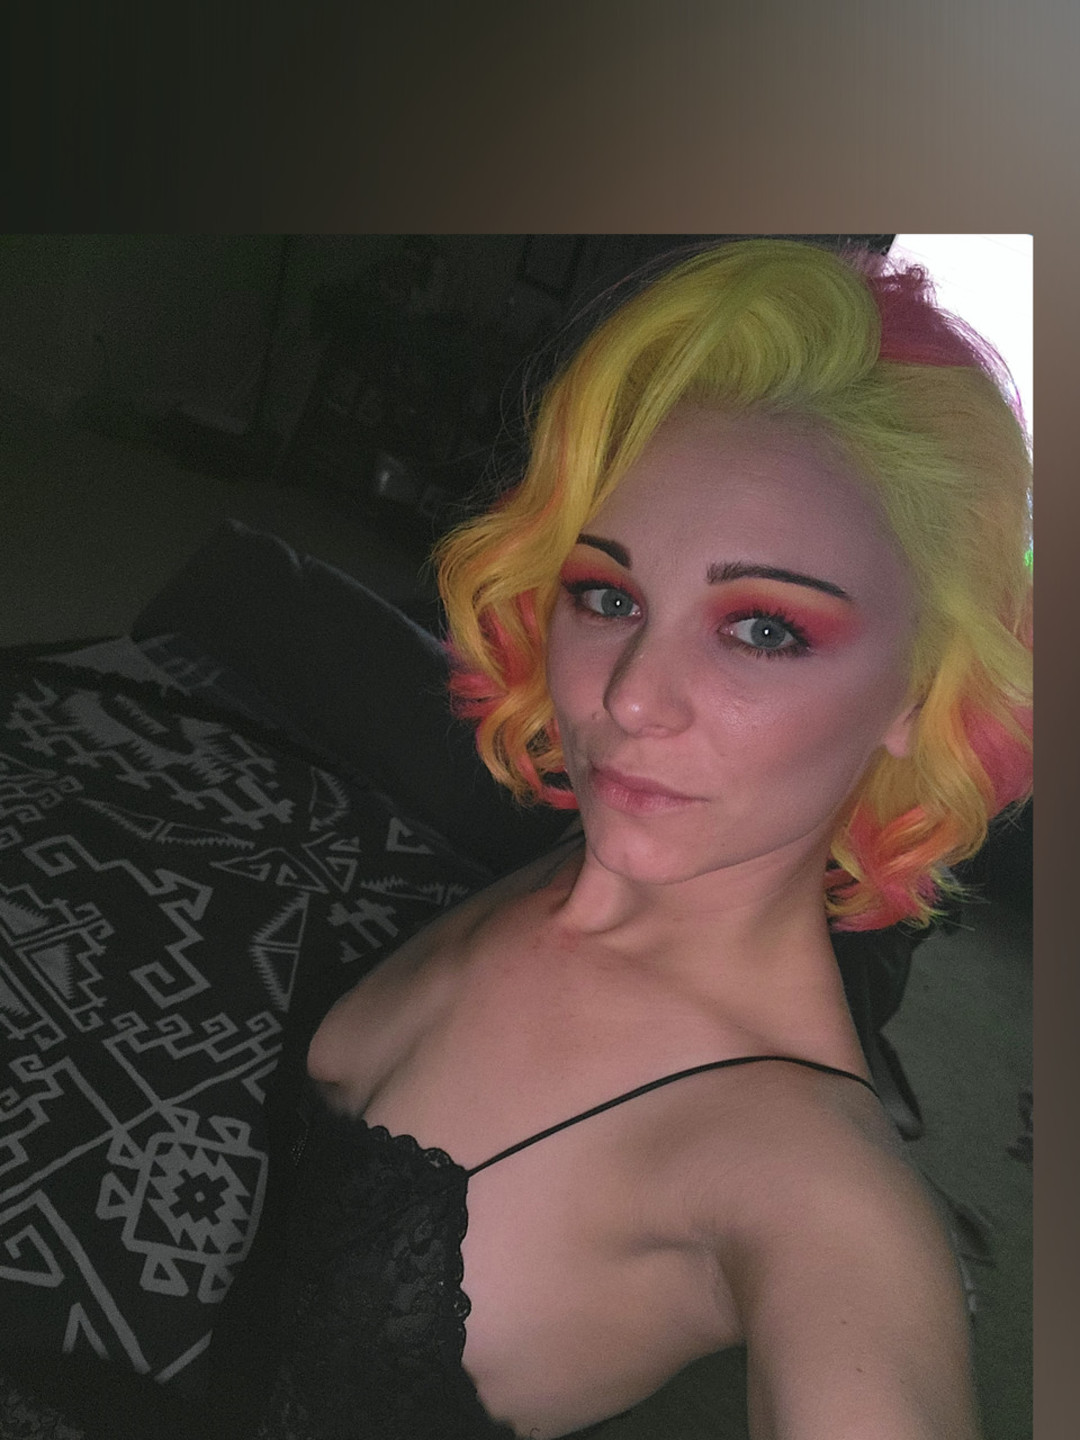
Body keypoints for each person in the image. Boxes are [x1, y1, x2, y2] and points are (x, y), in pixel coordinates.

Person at [238, 238, 1033, 1439]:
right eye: (608, 596)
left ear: (922, 690)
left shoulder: (817, 1191)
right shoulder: (591, 860)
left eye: (763, 629)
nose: (629, 700)